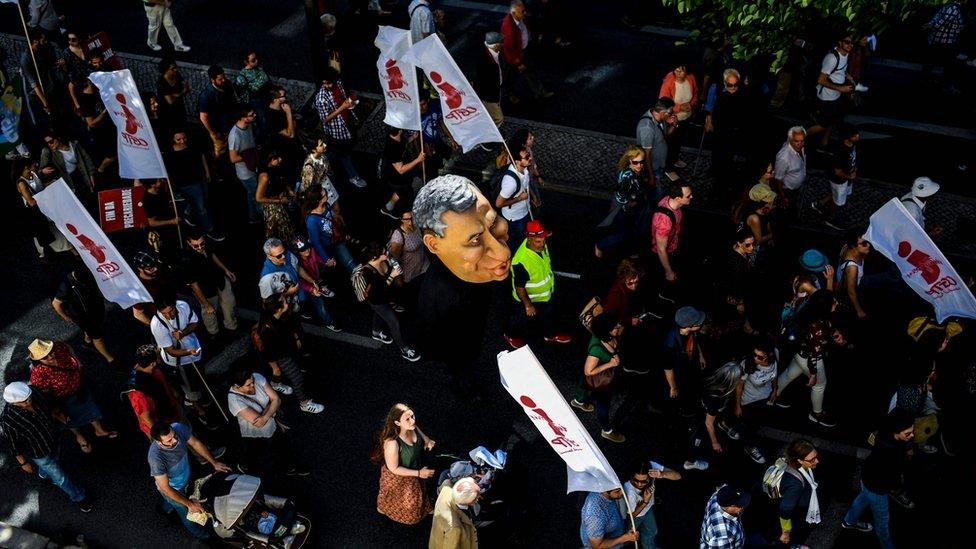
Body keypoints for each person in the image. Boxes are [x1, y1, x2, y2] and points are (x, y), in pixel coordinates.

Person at [414, 176, 510, 395]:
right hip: (459, 351)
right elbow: (437, 340)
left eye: (493, 223)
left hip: (474, 336)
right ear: (433, 244)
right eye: (475, 240)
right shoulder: (437, 296)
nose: (503, 252)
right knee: (461, 368)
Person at [2, 382, 93, 512]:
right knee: (60, 478)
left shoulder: (34, 392)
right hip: (39, 452)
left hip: (53, 437)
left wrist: (58, 413)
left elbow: (49, 404)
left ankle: (44, 472)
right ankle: (80, 498)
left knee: (54, 459)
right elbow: (13, 444)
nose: (28, 402)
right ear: (13, 404)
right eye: (23, 402)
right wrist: (23, 463)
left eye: (29, 398)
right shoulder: (8, 420)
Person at [27, 339, 117, 455]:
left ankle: (99, 430)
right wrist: (54, 409)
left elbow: (68, 348)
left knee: (90, 407)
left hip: (79, 387)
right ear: (38, 360)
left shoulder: (58, 347)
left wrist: (77, 361)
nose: (50, 357)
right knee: (69, 419)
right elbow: (42, 393)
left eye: (50, 352)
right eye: (45, 357)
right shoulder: (38, 374)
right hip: (62, 399)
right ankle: (79, 436)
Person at [841, 409, 917, 548]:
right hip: (878, 488)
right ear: (896, 432)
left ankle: (849, 521)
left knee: (863, 497)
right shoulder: (892, 453)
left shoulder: (884, 433)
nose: (912, 435)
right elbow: (892, 479)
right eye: (908, 433)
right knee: (882, 521)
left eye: (912, 431)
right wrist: (897, 489)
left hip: (868, 477)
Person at [148, 422, 230, 540]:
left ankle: (165, 508)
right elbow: (165, 488)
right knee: (188, 514)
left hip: (186, 476)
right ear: (159, 442)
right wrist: (190, 504)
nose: (175, 441)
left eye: (174, 436)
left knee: (173, 503)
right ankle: (203, 536)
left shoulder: (178, 428)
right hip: (173, 490)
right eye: (169, 441)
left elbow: (195, 443)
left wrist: (214, 462)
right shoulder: (156, 458)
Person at [773, 290, 842, 427]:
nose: (836, 303)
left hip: (800, 354)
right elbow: (814, 353)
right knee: (819, 385)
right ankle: (816, 414)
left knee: (788, 374)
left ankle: (772, 396)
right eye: (833, 302)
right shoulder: (817, 328)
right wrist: (813, 374)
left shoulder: (809, 313)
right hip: (810, 359)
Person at [253, 293, 325, 414]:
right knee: (297, 378)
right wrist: (274, 366)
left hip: (285, 350)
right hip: (280, 356)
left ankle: (275, 383)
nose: (287, 302)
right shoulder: (268, 330)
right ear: (278, 309)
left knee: (283, 372)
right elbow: (266, 351)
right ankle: (304, 403)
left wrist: (296, 338)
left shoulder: (280, 315)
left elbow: (289, 327)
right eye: (284, 302)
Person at [504, 220, 572, 348]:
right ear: (529, 239)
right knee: (520, 319)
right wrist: (528, 305)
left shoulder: (540, 245)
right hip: (526, 299)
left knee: (548, 315)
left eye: (543, 240)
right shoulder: (521, 261)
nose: (542, 244)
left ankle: (550, 335)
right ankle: (511, 336)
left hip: (544, 296)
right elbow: (520, 288)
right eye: (538, 241)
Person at [227, 369, 308, 476]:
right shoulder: (235, 401)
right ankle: (245, 465)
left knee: (282, 446)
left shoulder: (257, 377)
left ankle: (290, 468)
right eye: (248, 385)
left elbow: (277, 400)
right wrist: (271, 405)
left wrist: (265, 415)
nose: (253, 385)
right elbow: (260, 422)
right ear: (237, 386)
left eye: (252, 381)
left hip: (271, 424)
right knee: (255, 450)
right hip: (254, 433)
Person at [372, 403, 436, 525]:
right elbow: (394, 468)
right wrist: (419, 473)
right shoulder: (393, 444)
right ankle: (383, 508)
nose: (412, 421)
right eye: (407, 419)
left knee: (421, 493)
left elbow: (421, 434)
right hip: (400, 477)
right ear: (397, 423)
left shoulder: (412, 426)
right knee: (406, 502)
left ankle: (425, 508)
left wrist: (428, 441)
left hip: (415, 469)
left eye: (412, 416)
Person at [358, 242, 423, 362]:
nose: (387, 253)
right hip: (377, 300)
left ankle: (376, 332)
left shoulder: (384, 261)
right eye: (384, 253)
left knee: (379, 314)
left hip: (385, 297)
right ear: (374, 257)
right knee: (394, 323)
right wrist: (392, 276)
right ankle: (404, 350)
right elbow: (377, 293)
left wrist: (395, 269)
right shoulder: (367, 272)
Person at [259, 237, 340, 332]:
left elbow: (298, 269)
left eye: (283, 252)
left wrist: (312, 281)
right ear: (269, 256)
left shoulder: (288, 255)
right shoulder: (266, 279)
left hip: (298, 299)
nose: (284, 257)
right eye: (279, 256)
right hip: (286, 312)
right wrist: (287, 293)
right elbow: (267, 304)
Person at [571, 313, 625, 442]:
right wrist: (610, 364)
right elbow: (589, 371)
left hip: (599, 377)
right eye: (615, 326)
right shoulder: (596, 349)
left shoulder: (606, 335)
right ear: (606, 329)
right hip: (602, 381)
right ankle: (607, 431)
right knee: (603, 405)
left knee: (585, 385)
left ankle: (579, 402)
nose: (619, 326)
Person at [149, 294, 205, 410]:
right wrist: (189, 352)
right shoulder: (157, 325)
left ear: (175, 304)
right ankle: (200, 411)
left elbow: (194, 322)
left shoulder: (183, 306)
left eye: (171, 310)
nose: (169, 316)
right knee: (189, 388)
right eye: (164, 314)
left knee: (198, 380)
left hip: (194, 348)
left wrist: (183, 333)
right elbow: (171, 351)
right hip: (179, 361)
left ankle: (199, 398)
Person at [179, 231, 238, 337]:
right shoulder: (187, 260)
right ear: (188, 243)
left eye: (202, 244)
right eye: (196, 245)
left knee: (229, 304)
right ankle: (213, 333)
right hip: (205, 289)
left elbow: (212, 255)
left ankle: (231, 327)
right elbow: (194, 285)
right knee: (209, 312)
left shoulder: (207, 245)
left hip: (219, 280)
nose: (200, 247)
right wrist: (206, 304)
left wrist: (226, 270)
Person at [51, 266, 114, 364]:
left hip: (95, 307)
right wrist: (66, 317)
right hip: (83, 316)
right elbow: (56, 303)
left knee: (93, 328)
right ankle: (110, 359)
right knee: (97, 336)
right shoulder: (67, 284)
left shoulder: (87, 274)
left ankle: (87, 341)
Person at [13, 156, 73, 261]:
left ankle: (49, 252)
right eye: (27, 169)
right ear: (22, 170)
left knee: (48, 230)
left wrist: (51, 184)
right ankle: (51, 252)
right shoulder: (21, 183)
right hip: (36, 212)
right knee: (44, 231)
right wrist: (46, 195)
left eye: (29, 168)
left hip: (45, 207)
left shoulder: (33, 174)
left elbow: (40, 186)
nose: (30, 170)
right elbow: (31, 202)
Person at [165, 130, 221, 241]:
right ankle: (209, 230)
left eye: (184, 138)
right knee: (201, 209)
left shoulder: (192, 147)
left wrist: (207, 173)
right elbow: (168, 172)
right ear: (173, 140)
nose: (182, 141)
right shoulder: (169, 154)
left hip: (199, 180)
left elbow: (202, 158)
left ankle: (202, 226)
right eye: (179, 139)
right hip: (185, 184)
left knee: (203, 204)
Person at [314, 67, 365, 188]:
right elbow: (325, 119)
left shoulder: (338, 83)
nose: (326, 85)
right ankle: (353, 176)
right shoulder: (321, 98)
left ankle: (323, 161)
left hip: (347, 124)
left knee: (337, 151)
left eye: (329, 82)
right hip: (337, 131)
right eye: (324, 83)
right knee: (344, 154)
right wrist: (342, 108)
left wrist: (351, 100)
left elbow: (344, 97)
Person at [807, 35, 855, 149]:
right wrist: (841, 89)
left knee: (835, 120)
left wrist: (849, 77)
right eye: (847, 42)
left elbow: (841, 70)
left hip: (836, 96)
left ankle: (824, 143)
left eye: (852, 43)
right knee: (824, 124)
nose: (850, 45)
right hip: (826, 97)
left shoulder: (846, 54)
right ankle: (800, 136)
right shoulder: (832, 58)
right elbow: (821, 80)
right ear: (840, 42)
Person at [125, 344, 184, 438]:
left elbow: (163, 382)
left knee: (187, 435)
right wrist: (163, 434)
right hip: (162, 425)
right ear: (153, 363)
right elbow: (145, 418)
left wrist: (174, 394)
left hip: (172, 411)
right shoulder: (137, 391)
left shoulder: (148, 367)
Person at [500, 0, 553, 102]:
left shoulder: (519, 18)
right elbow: (508, 49)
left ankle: (539, 92)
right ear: (514, 13)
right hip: (514, 56)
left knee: (530, 71)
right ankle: (510, 94)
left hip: (523, 51)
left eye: (524, 11)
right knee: (510, 75)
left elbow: (525, 28)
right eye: (522, 12)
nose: (525, 13)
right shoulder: (509, 28)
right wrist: (518, 63)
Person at [622, 460, 681, 549]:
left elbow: (678, 476)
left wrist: (661, 474)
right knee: (626, 538)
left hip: (648, 509)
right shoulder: (629, 490)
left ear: (650, 474)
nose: (639, 484)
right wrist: (645, 502)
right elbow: (631, 516)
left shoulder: (652, 467)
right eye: (635, 480)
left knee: (652, 532)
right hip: (635, 516)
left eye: (644, 481)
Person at [662, 306, 707, 422]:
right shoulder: (671, 343)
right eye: (698, 322)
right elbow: (668, 368)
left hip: (689, 367)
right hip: (679, 373)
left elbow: (695, 342)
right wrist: (673, 387)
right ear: (690, 326)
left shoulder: (692, 332)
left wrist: (701, 356)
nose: (701, 323)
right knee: (682, 394)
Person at [703, 68, 750, 178]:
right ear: (724, 82)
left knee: (730, 149)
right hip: (719, 123)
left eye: (735, 84)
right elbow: (709, 106)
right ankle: (714, 168)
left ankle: (726, 169)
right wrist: (709, 121)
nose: (733, 87)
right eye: (730, 85)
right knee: (717, 148)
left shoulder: (742, 89)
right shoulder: (716, 88)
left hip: (735, 125)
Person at [776, 439, 822, 548]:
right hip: (796, 511)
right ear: (800, 461)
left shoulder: (799, 465)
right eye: (812, 460)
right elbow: (785, 509)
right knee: (795, 531)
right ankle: (794, 546)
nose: (817, 461)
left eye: (816, 456)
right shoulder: (795, 485)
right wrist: (785, 532)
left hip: (799, 502)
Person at [303, 184, 357, 275]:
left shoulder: (326, 205)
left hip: (338, 239)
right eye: (324, 194)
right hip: (331, 246)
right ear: (318, 200)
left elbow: (333, 222)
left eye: (325, 190)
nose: (327, 194)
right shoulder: (311, 220)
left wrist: (343, 234)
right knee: (350, 263)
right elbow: (315, 242)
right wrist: (326, 259)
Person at [652, 181, 693, 294]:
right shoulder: (664, 221)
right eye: (688, 196)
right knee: (666, 276)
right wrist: (669, 272)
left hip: (674, 242)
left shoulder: (669, 200)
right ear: (677, 198)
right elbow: (661, 250)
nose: (691, 196)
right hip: (668, 250)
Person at [39, 131, 97, 210]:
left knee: (91, 201)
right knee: (80, 206)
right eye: (47, 143)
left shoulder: (74, 144)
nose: (50, 145)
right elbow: (41, 172)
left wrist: (91, 176)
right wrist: (43, 171)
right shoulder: (48, 152)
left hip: (81, 175)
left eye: (51, 142)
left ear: (58, 138)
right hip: (68, 180)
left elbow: (86, 159)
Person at [387, 209, 430, 311]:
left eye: (412, 218)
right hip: (410, 272)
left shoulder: (416, 227)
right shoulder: (398, 236)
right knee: (413, 297)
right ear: (401, 220)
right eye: (407, 220)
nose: (410, 222)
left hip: (424, 265)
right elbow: (393, 258)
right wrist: (397, 277)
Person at [379, 126, 425, 219]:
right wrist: (418, 160)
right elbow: (401, 169)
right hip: (397, 177)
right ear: (399, 131)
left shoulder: (396, 137)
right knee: (404, 192)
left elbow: (403, 144)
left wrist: (412, 138)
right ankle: (391, 210)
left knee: (402, 192)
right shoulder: (393, 148)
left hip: (399, 176)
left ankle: (388, 207)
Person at [495, 142, 533, 252]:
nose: (530, 158)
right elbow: (499, 204)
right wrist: (520, 198)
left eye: (529, 155)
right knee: (517, 241)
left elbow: (526, 186)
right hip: (515, 218)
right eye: (526, 157)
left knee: (522, 237)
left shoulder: (524, 169)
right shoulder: (510, 182)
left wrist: (531, 198)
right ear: (517, 161)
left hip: (524, 211)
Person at [228, 106, 262, 224]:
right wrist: (250, 155)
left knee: (251, 193)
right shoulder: (235, 135)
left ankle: (253, 217)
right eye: (251, 115)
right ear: (243, 118)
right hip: (245, 173)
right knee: (257, 195)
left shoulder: (249, 126)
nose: (254, 116)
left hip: (253, 167)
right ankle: (263, 218)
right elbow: (233, 158)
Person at [255, 150, 297, 242]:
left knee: (287, 228)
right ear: (269, 160)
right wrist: (280, 201)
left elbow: (282, 180)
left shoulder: (277, 167)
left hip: (282, 202)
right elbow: (258, 198)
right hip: (272, 208)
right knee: (277, 232)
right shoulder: (265, 176)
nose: (280, 159)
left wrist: (289, 190)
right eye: (276, 158)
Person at [637, 97, 676, 192]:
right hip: (653, 169)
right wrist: (651, 177)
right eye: (670, 113)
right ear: (662, 113)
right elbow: (646, 154)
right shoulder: (647, 128)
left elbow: (664, 136)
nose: (672, 114)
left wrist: (674, 125)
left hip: (659, 165)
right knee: (654, 195)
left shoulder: (660, 119)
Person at [429, 477, 480, 549]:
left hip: (436, 535)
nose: (477, 499)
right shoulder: (455, 528)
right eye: (475, 498)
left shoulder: (446, 490)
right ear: (466, 500)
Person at [198, 65, 237, 158]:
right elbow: (203, 116)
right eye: (220, 79)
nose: (223, 80)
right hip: (218, 128)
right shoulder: (206, 95)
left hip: (228, 124)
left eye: (224, 77)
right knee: (219, 150)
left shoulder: (227, 84)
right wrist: (213, 132)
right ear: (212, 80)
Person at [142, 177, 181, 262]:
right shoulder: (148, 199)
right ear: (152, 184)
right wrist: (172, 221)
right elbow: (152, 223)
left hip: (172, 225)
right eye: (159, 180)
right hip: (163, 231)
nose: (162, 181)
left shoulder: (160, 190)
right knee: (169, 250)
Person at [699, 484, 750, 549]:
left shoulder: (719, 495)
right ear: (730, 507)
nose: (742, 508)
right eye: (740, 506)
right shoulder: (723, 536)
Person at [837, 230, 871, 321]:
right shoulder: (852, 268)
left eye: (867, 241)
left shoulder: (846, 247)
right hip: (858, 288)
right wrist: (859, 311)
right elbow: (851, 291)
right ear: (853, 246)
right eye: (863, 243)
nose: (868, 245)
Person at [474, 32, 505, 127]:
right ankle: (492, 137)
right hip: (489, 96)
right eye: (501, 42)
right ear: (496, 45)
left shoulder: (494, 54)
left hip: (495, 92)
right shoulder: (485, 60)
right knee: (498, 118)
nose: (503, 44)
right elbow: (481, 81)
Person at [772, 127, 807, 208]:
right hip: (788, 190)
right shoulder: (784, 158)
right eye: (796, 141)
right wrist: (782, 196)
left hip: (796, 187)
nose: (800, 144)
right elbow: (778, 179)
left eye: (802, 141)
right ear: (790, 140)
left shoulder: (800, 146)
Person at [156, 59, 190, 131]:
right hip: (167, 113)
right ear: (166, 70)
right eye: (172, 69)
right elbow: (170, 101)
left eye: (175, 67)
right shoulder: (161, 82)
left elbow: (186, 87)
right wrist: (181, 93)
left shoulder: (177, 75)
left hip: (179, 109)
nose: (176, 70)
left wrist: (177, 95)